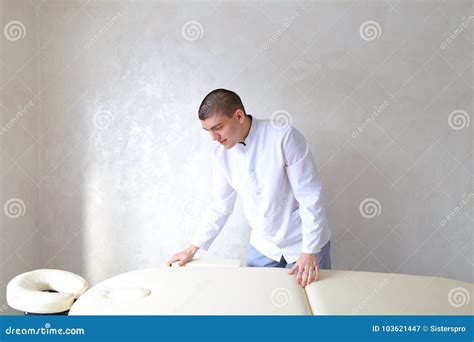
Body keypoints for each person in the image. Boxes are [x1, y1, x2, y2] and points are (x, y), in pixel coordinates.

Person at [167, 89, 332, 287]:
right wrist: (192, 249)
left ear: (238, 116)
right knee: (258, 302)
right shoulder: (220, 153)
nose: (214, 137)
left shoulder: (283, 136)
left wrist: (310, 250)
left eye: (218, 127)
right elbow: (220, 205)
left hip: (303, 241)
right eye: (208, 130)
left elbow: (309, 196)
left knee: (311, 307)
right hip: (263, 245)